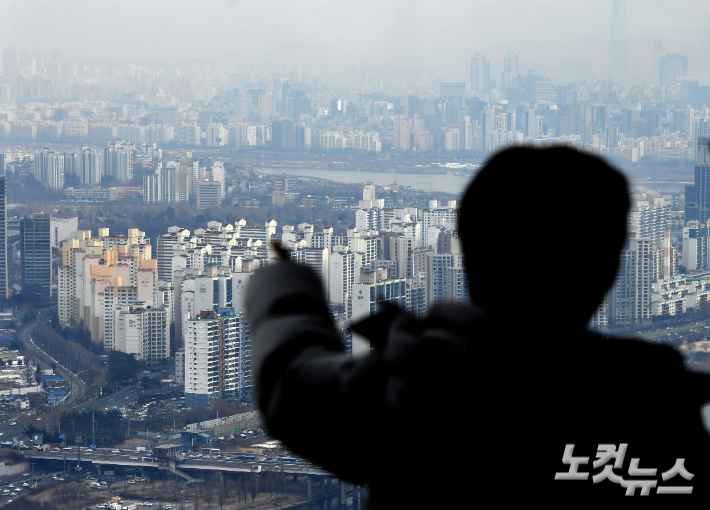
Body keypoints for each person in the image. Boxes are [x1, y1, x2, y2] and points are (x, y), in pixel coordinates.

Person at [246, 147, 710, 505]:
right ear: (608, 269)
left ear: (468, 253)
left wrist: (287, 285)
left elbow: (291, 383)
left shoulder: (426, 388)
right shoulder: (660, 409)